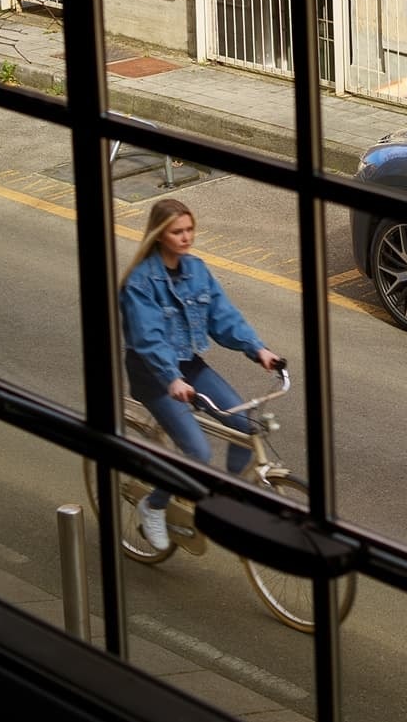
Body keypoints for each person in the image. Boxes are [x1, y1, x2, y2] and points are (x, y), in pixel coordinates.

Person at [117, 196, 282, 550]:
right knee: (198, 453)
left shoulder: (197, 271)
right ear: (160, 235)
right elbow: (148, 340)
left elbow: (224, 317)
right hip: (154, 374)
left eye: (190, 229)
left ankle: (223, 494)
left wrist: (259, 350)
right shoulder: (141, 283)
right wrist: (171, 379)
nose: (186, 237)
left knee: (244, 424)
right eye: (178, 231)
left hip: (187, 364)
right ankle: (154, 505)